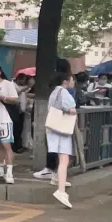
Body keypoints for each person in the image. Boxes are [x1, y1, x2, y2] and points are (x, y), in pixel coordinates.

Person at [47, 71, 77, 208]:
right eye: (71, 80)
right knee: (64, 158)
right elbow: (71, 110)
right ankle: (61, 191)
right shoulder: (64, 93)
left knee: (61, 157)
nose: (73, 82)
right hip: (63, 129)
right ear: (65, 81)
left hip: (53, 127)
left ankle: (57, 178)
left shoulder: (54, 92)